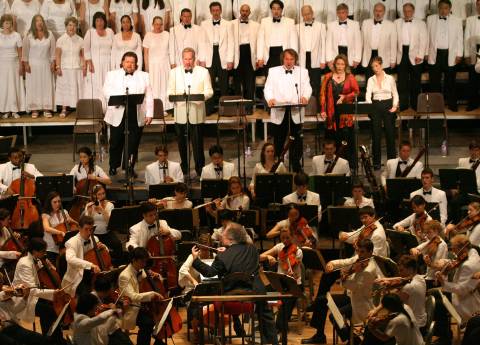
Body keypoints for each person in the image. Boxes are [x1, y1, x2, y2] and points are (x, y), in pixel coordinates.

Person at [191, 222, 279, 345]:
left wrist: (196, 259)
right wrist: (227, 249)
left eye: (223, 236)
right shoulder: (253, 250)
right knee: (265, 312)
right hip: (254, 295)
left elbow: (209, 272)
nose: (221, 238)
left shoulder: (222, 255)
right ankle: (272, 342)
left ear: (231, 240)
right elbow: (240, 254)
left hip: (230, 297)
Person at [302, 238, 381, 344]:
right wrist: (332, 264)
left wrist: (344, 277)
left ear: (370, 252)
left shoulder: (369, 270)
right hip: (351, 298)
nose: (359, 254)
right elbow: (345, 262)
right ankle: (320, 335)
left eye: (362, 252)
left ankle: (353, 339)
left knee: (333, 316)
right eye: (358, 251)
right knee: (321, 300)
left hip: (359, 303)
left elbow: (353, 287)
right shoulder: (359, 259)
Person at [103, 51, 153, 176]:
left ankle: (129, 167)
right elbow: (106, 90)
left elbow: (149, 96)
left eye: (132, 62)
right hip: (118, 110)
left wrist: (150, 113)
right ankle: (113, 166)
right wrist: (117, 101)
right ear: (122, 62)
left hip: (135, 112)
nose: (129, 64)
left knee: (133, 142)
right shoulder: (111, 74)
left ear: (136, 64)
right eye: (127, 61)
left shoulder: (144, 76)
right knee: (115, 142)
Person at [264, 48, 312, 173]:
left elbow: (307, 87)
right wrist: (270, 99)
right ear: (283, 59)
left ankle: (296, 164)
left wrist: (305, 97)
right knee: (279, 139)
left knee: (297, 139)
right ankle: (279, 165)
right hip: (279, 110)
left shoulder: (303, 72)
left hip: (296, 110)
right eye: (287, 59)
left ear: (295, 60)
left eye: (291, 59)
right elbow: (267, 88)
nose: (289, 62)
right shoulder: (273, 71)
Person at [168, 47, 213, 177]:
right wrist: (175, 97)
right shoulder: (174, 72)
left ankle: (200, 168)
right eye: (185, 59)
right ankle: (185, 167)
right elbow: (169, 91)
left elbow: (209, 91)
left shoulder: (203, 72)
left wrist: (198, 97)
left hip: (196, 111)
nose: (187, 62)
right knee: (181, 143)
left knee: (197, 143)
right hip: (180, 112)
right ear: (182, 59)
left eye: (190, 59)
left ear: (194, 59)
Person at [12, 237, 66, 344]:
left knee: (50, 309)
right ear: (35, 251)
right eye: (43, 251)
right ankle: (51, 340)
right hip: (23, 298)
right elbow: (32, 290)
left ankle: (53, 339)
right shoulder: (25, 264)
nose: (45, 253)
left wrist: (50, 266)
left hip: (32, 295)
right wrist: (53, 292)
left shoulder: (36, 259)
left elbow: (46, 274)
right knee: (49, 311)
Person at [435, 235, 480, 343]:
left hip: (467, 302)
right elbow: (457, 263)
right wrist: (446, 265)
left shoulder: (468, 265)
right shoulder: (473, 253)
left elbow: (461, 289)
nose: (454, 253)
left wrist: (443, 283)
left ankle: (445, 337)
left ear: (463, 248)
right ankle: (444, 333)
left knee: (438, 304)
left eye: (455, 249)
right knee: (437, 296)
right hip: (466, 296)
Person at [117, 247, 163, 345]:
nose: (144, 264)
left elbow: (148, 280)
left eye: (145, 261)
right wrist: (152, 294)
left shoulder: (140, 270)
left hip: (143, 306)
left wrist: (156, 276)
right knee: (148, 323)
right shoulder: (124, 276)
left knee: (159, 320)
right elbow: (132, 297)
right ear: (134, 260)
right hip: (131, 308)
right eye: (142, 262)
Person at [320, 54, 359, 166]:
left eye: (342, 64)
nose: (340, 66)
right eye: (338, 64)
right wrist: (323, 110)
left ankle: (348, 165)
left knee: (346, 139)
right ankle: (331, 165)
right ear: (334, 64)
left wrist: (345, 97)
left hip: (345, 113)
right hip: (331, 113)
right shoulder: (328, 76)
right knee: (332, 138)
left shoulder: (350, 77)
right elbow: (322, 94)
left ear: (345, 65)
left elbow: (356, 92)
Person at [260, 228, 303, 330]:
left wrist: (287, 267)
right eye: (282, 238)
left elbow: (290, 267)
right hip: (279, 283)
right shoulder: (280, 247)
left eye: (287, 238)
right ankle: (266, 322)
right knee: (260, 292)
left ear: (292, 237)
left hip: (294, 284)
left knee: (286, 300)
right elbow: (260, 256)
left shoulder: (298, 251)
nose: (285, 240)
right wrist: (268, 257)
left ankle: (279, 327)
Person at [373, 255, 427, 333]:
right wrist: (386, 279)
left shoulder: (409, 287)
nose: (399, 273)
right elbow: (402, 279)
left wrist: (376, 310)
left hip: (414, 326)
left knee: (375, 327)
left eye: (401, 270)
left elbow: (390, 302)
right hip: (421, 320)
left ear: (411, 269)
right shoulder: (420, 278)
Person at [426, 0, 463, 111]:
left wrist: (459, 54)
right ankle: (435, 106)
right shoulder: (430, 19)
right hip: (434, 53)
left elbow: (459, 38)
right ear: (438, 8)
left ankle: (452, 104)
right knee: (434, 81)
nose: (443, 10)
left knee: (450, 81)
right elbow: (427, 37)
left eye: (446, 8)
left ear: (450, 8)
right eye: (441, 7)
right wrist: (426, 53)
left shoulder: (457, 20)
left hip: (450, 54)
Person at [178, 232, 214, 342]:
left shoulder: (215, 256)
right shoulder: (193, 256)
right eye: (202, 249)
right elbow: (182, 270)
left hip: (210, 289)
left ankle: (215, 327)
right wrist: (194, 281)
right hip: (193, 290)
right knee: (196, 305)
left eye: (207, 249)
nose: (205, 252)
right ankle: (196, 329)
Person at [365, 56, 399, 169]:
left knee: (390, 134)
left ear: (381, 65)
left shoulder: (390, 78)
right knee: (376, 135)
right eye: (373, 67)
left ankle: (392, 163)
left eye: (377, 66)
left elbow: (395, 93)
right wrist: (370, 106)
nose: (375, 68)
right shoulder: (371, 79)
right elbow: (368, 94)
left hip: (388, 104)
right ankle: (376, 164)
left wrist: (394, 106)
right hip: (375, 106)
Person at [200, 1, 234, 115]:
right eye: (213, 10)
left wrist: (230, 59)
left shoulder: (228, 24)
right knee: (209, 85)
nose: (215, 12)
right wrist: (202, 59)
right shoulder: (204, 24)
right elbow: (202, 43)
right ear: (210, 11)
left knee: (224, 84)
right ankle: (209, 109)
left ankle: (225, 110)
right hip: (209, 55)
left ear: (221, 11)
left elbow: (231, 43)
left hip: (223, 56)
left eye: (217, 10)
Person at [62, 215, 106, 297]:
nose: (89, 233)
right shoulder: (71, 242)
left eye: (91, 229)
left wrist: (104, 247)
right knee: (87, 296)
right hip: (78, 277)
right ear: (79, 228)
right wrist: (91, 265)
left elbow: (104, 253)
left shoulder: (95, 239)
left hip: (93, 274)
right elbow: (70, 259)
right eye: (86, 229)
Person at [395, 2, 427, 111]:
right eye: (405, 11)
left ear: (413, 11)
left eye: (409, 11)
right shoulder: (396, 22)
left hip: (415, 54)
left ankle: (415, 105)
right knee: (402, 82)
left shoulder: (421, 23)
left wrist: (420, 55)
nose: (407, 13)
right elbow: (394, 41)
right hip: (401, 54)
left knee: (416, 82)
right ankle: (403, 105)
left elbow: (424, 40)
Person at [22, 14, 56, 119]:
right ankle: (34, 109)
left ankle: (46, 108)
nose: (39, 22)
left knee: (46, 86)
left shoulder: (49, 34)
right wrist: (26, 64)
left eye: (41, 20)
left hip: (45, 64)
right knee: (34, 86)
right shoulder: (29, 35)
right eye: (37, 21)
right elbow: (25, 51)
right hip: (33, 65)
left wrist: (53, 62)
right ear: (33, 23)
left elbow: (53, 51)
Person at [84, 184, 122, 265]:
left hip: (107, 233)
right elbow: (87, 224)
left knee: (118, 244)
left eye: (103, 193)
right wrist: (90, 212)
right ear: (94, 196)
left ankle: (117, 264)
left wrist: (102, 210)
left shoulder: (110, 205)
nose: (102, 196)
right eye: (99, 194)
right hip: (94, 235)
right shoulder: (89, 205)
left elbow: (110, 223)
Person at [54, 16, 85, 118]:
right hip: (65, 68)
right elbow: (57, 55)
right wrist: (58, 67)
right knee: (65, 88)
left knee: (78, 88)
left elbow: (82, 55)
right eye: (70, 25)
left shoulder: (80, 40)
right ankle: (64, 109)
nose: (72, 27)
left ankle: (79, 109)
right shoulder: (60, 40)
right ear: (66, 26)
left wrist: (84, 66)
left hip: (77, 68)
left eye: (74, 25)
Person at [257, 0, 297, 72]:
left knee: (285, 79)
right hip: (269, 54)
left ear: (282, 10)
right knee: (269, 78)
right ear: (271, 10)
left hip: (284, 54)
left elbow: (294, 41)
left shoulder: (290, 22)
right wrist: (260, 57)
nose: (276, 11)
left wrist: (294, 58)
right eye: (274, 8)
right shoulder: (264, 21)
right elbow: (260, 40)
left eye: (278, 9)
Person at [83, 12, 114, 104]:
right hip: (94, 63)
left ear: (104, 21)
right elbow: (86, 49)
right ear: (94, 22)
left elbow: (114, 48)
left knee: (107, 84)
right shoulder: (90, 32)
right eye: (97, 20)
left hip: (108, 63)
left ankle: (107, 108)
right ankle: (95, 107)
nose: (99, 23)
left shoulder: (110, 32)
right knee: (95, 85)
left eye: (101, 20)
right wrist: (89, 63)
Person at [232, 3, 258, 110]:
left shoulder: (256, 25)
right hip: (237, 54)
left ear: (250, 12)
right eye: (243, 10)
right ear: (240, 11)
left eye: (247, 11)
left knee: (250, 84)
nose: (244, 13)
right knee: (237, 83)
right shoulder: (232, 24)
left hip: (250, 54)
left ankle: (249, 108)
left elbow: (259, 42)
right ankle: (237, 108)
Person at [361, 2, 397, 81]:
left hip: (383, 57)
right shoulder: (365, 23)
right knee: (369, 80)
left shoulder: (391, 25)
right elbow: (361, 42)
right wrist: (359, 57)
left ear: (384, 12)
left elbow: (393, 44)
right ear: (373, 11)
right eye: (376, 11)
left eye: (380, 11)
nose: (378, 13)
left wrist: (393, 60)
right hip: (368, 56)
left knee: (382, 81)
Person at [297, 5, 326, 102]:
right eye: (304, 15)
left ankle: (316, 106)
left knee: (315, 82)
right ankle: (303, 104)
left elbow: (324, 44)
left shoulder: (321, 26)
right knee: (302, 82)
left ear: (312, 13)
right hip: (302, 59)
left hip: (316, 58)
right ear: (302, 15)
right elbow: (295, 45)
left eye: (308, 14)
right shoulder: (297, 27)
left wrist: (323, 60)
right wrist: (296, 60)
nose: (307, 16)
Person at [143, 16, 172, 111]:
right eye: (156, 24)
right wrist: (147, 67)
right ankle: (155, 108)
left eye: (160, 24)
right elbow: (146, 53)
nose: (158, 26)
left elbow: (171, 50)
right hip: (153, 65)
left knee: (164, 86)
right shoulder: (148, 35)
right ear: (152, 25)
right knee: (154, 87)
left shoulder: (167, 34)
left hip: (165, 64)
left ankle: (165, 107)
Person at [0, 14, 25, 120]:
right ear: (2, 24)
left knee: (14, 86)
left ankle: (15, 110)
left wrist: (21, 66)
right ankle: (6, 110)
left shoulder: (17, 35)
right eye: (6, 23)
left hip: (14, 64)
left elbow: (20, 53)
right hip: (2, 64)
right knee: (4, 87)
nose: (8, 25)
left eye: (9, 22)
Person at [410, 220, 448, 286]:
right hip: (428, 276)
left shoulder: (442, 245)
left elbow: (437, 266)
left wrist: (429, 263)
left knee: (413, 285)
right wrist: (414, 250)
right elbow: (417, 248)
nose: (427, 235)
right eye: (426, 233)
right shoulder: (430, 241)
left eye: (429, 233)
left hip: (436, 279)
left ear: (436, 231)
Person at [42, 191, 77, 262]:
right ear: (49, 203)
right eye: (54, 202)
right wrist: (60, 232)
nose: (57, 204)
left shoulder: (64, 212)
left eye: (59, 201)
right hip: (51, 249)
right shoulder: (45, 215)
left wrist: (72, 221)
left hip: (63, 248)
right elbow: (46, 228)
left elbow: (77, 225)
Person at [325, 3, 361, 71]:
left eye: (343, 12)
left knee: (349, 77)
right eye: (339, 13)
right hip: (336, 53)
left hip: (350, 54)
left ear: (347, 13)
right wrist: (329, 60)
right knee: (337, 77)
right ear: (337, 13)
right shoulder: (331, 25)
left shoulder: (355, 24)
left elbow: (358, 43)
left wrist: (357, 59)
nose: (341, 15)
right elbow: (328, 44)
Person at [465, 1, 480, 111]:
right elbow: (466, 37)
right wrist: (467, 54)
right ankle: (473, 104)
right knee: (473, 80)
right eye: (478, 4)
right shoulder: (470, 20)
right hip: (474, 50)